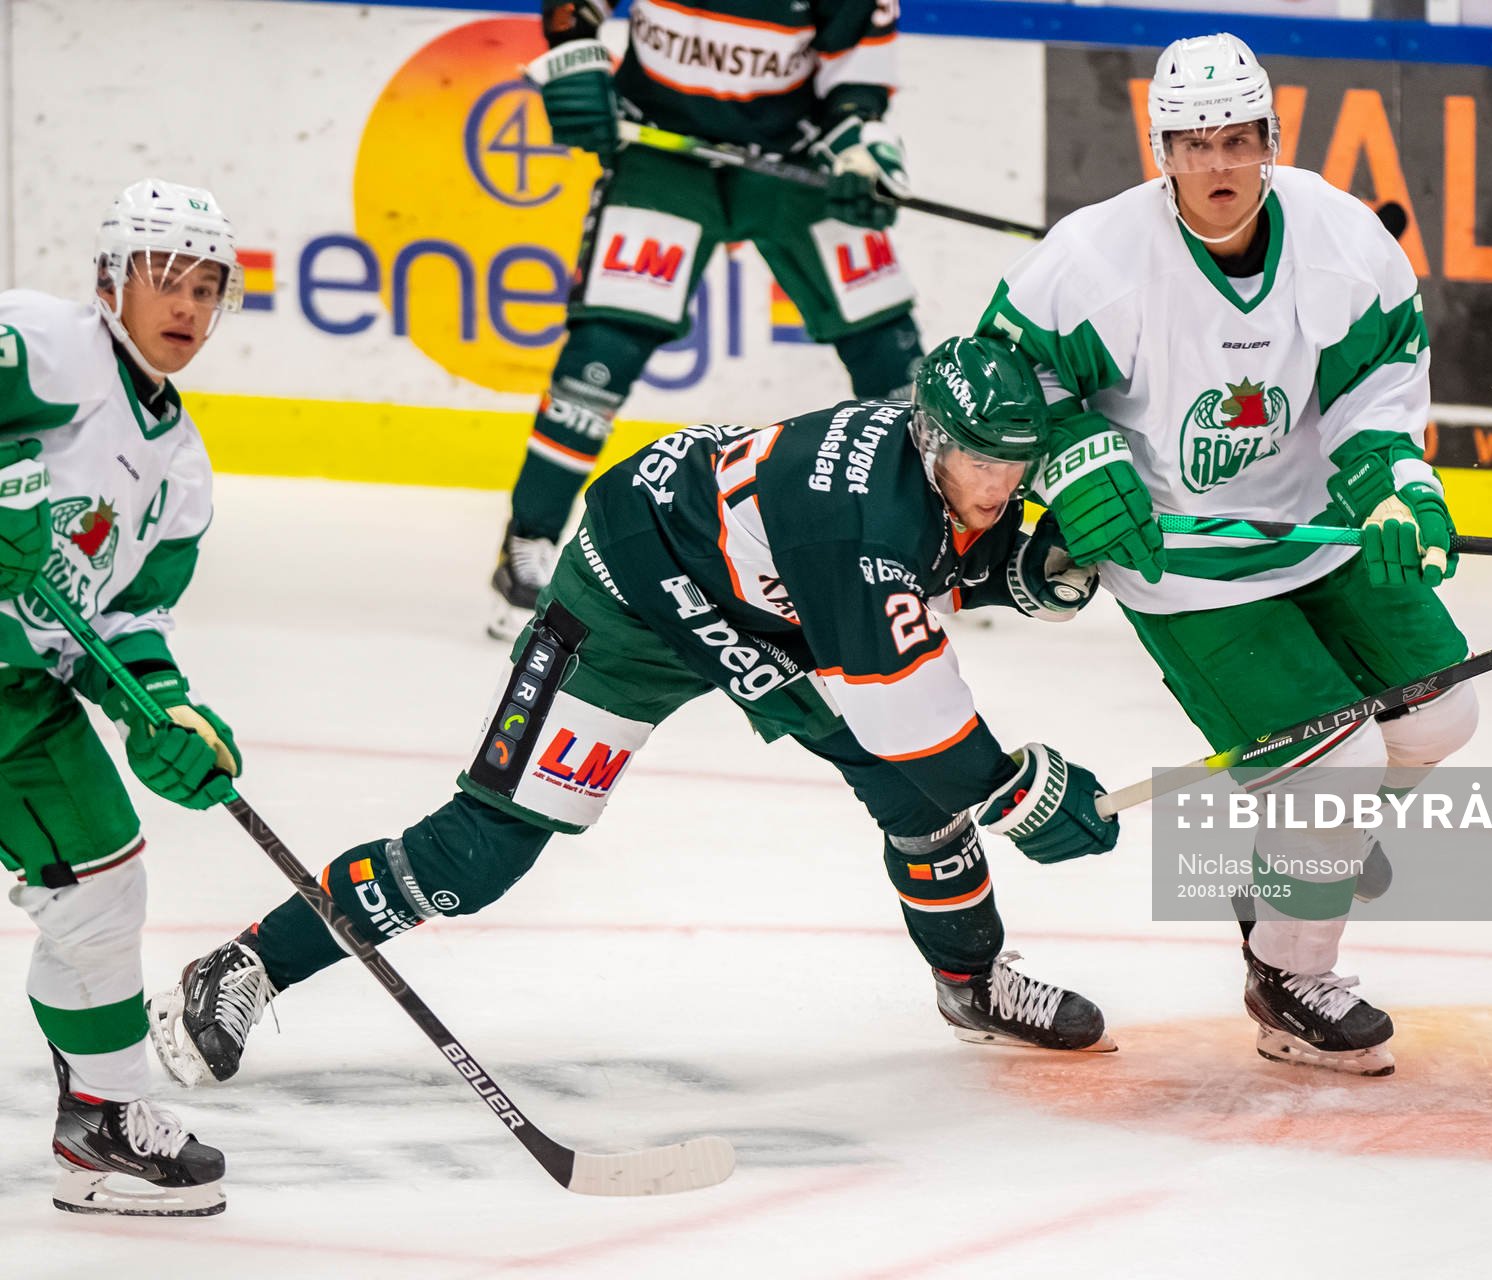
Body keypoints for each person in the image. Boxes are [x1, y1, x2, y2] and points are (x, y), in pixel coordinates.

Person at [148, 336, 1119, 1090]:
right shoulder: (862, 520)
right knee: (479, 853)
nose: (998, 488)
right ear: (934, 440)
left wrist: (1017, 569)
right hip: (631, 587)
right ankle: (247, 964)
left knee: (911, 793)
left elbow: (937, 562)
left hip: (760, 595)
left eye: (1013, 467)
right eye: (982, 466)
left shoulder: (917, 472)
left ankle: (972, 980)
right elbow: (920, 716)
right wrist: (1016, 788)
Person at [978, 34, 1480, 1076]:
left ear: (1271, 139)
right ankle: (1289, 977)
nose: (1218, 166)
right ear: (1159, 147)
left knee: (1440, 714)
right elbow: (1006, 374)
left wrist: (1397, 484)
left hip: (1315, 525)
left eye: (1238, 140)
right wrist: (1074, 458)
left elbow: (1378, 383)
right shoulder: (1096, 259)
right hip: (1184, 565)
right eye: (1194, 143)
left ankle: (1290, 862)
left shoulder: (1341, 242)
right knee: (1333, 771)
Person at [491, 0, 924, 637]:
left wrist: (859, 145)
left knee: (890, 352)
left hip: (790, 156)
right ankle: (527, 544)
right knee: (600, 357)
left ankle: (935, 547)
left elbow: (854, 72)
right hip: (662, 150)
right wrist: (574, 54)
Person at [0, 179, 245, 1214]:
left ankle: (104, 1117)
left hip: (19, 694)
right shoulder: (42, 346)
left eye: (205, 288)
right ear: (110, 280)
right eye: (163, 280)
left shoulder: (178, 469)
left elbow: (130, 622)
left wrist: (166, 715)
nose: (185, 306)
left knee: (101, 882)